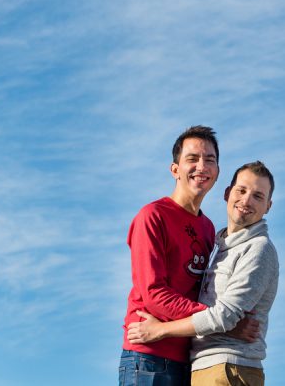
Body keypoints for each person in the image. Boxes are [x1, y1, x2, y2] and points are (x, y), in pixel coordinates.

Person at [127, 161, 279, 386]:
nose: (246, 200)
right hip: (207, 368)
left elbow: (225, 316)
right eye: (242, 190)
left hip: (228, 367)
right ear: (228, 193)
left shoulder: (258, 248)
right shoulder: (222, 246)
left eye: (258, 196)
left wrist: (160, 330)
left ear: (268, 206)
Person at [118, 125, 221, 386]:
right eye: (192, 159)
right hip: (149, 358)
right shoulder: (152, 216)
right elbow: (154, 294)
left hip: (191, 358)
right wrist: (216, 318)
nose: (202, 166)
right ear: (175, 170)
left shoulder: (208, 228)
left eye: (210, 160)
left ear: (217, 172)